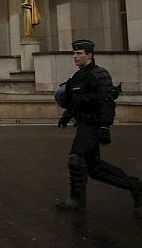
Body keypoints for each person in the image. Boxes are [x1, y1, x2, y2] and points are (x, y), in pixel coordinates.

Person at [55, 39, 142, 211]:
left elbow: (107, 102)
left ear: (89, 55)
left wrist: (104, 126)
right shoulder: (77, 76)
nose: (75, 56)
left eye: (79, 53)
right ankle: (135, 186)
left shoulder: (99, 74)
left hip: (93, 124)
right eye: (74, 53)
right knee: (95, 169)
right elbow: (75, 101)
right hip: (83, 123)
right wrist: (67, 115)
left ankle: (76, 200)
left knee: (76, 157)